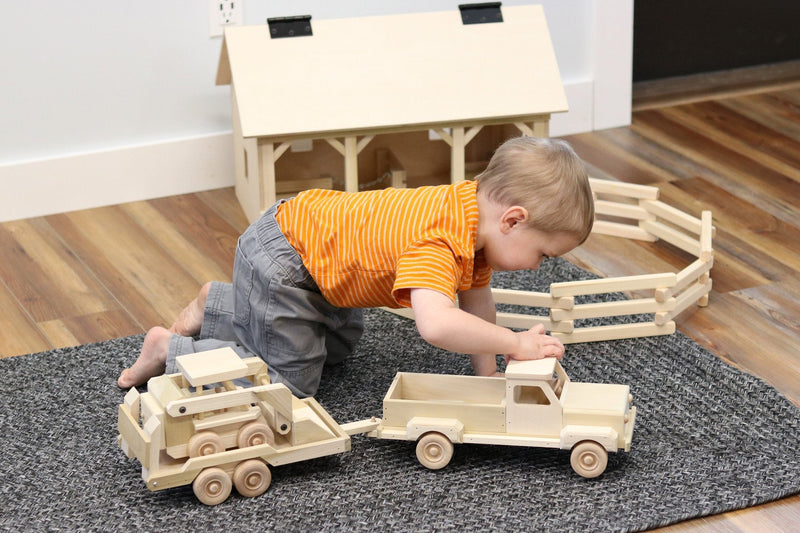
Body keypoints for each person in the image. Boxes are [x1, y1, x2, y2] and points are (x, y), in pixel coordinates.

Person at [117, 136, 594, 397]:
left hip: (318, 258)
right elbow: (437, 324)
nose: (538, 267)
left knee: (338, 348)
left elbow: (476, 307)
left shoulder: (475, 220)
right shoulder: (439, 239)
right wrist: (515, 343)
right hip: (286, 263)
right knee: (291, 385)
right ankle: (170, 349)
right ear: (513, 220)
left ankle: (219, 303)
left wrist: (487, 375)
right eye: (544, 254)